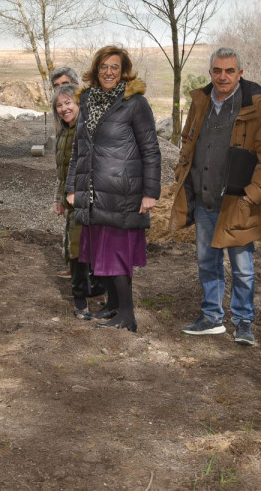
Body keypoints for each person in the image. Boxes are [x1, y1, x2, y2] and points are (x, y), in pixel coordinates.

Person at [170, 48, 261, 346]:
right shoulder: (200, 102)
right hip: (204, 200)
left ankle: (244, 321)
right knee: (208, 262)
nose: (223, 76)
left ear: (240, 73)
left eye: (229, 71)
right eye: (217, 70)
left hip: (238, 202)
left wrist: (252, 195)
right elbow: (188, 140)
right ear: (211, 72)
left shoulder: (258, 107)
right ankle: (211, 316)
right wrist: (182, 170)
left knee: (243, 267)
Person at [65, 45, 161, 332]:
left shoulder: (134, 102)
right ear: (96, 70)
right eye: (104, 66)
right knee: (99, 253)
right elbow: (78, 149)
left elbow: (151, 149)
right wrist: (72, 187)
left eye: (115, 67)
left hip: (122, 191)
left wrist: (150, 192)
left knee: (117, 254)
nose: (109, 72)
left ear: (123, 71)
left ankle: (127, 316)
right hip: (92, 191)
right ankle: (112, 306)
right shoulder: (89, 99)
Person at [52, 83, 102, 315]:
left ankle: (95, 292)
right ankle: (80, 296)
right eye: (59, 105)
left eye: (68, 103)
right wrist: (58, 197)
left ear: (79, 104)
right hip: (71, 198)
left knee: (90, 245)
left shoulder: (90, 130)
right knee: (76, 246)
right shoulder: (63, 131)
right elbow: (61, 170)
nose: (64, 108)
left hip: (90, 197)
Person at [49, 65, 81, 278]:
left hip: (84, 194)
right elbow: (62, 167)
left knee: (81, 238)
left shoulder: (85, 123)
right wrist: (59, 196)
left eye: (66, 84)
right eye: (57, 86)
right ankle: (75, 271)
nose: (62, 88)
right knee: (72, 234)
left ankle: (89, 285)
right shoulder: (63, 126)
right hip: (70, 191)